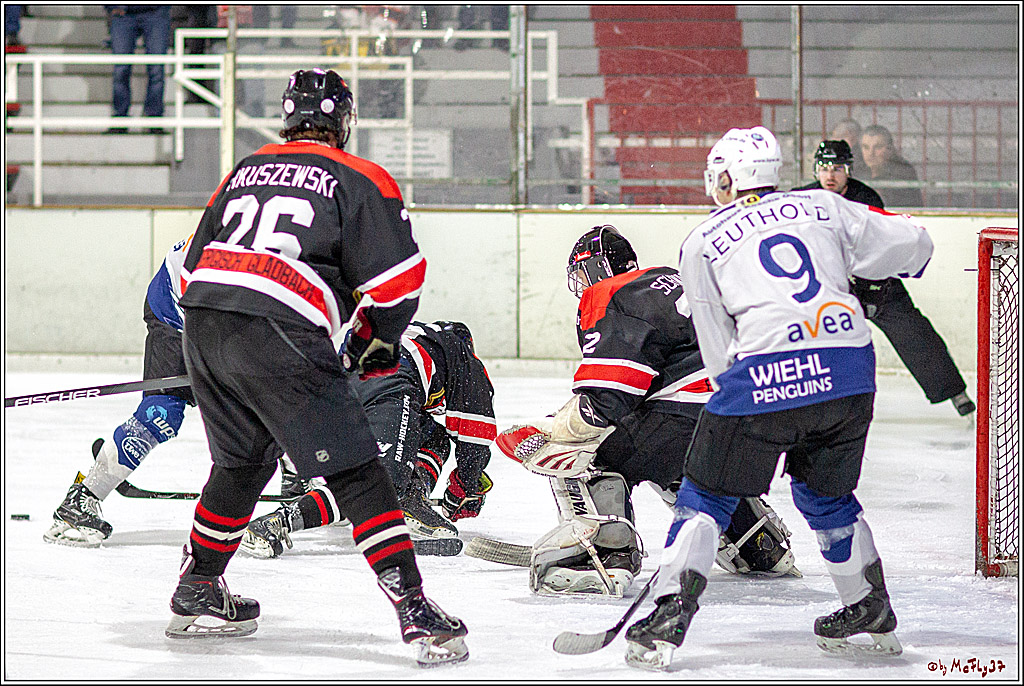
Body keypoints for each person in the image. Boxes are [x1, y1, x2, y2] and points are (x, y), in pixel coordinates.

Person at [167, 68, 467, 667]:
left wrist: (233, 345)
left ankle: (198, 586)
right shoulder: (359, 176)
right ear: (344, 122)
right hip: (278, 327)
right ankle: (414, 609)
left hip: (202, 319)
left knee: (242, 462)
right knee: (360, 469)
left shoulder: (243, 170)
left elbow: (190, 265)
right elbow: (399, 282)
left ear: (287, 118)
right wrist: (368, 342)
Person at [622, 126, 933, 670]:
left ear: (725, 179)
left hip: (766, 376)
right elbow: (916, 245)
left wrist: (745, 399)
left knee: (707, 496)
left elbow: (717, 352)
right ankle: (867, 605)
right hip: (850, 372)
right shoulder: (826, 206)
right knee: (824, 497)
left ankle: (669, 612)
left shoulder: (703, 240)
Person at [496, 225, 799, 599]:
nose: (581, 286)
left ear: (598, 268)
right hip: (754, 409)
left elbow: (609, 397)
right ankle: (758, 545)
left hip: (689, 413)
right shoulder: (674, 279)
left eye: (582, 274)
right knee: (681, 464)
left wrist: (560, 429)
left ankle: (605, 555)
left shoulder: (612, 293)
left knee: (589, 452)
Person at [42, 233, 313, 548]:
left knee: (280, 389)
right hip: (173, 308)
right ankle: (82, 500)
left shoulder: (284, 247)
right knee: (161, 414)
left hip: (215, 308)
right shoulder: (253, 254)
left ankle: (297, 473)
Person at [240, 319, 497, 559]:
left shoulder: (416, 337)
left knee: (435, 438)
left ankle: (300, 469)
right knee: (381, 484)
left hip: (341, 383)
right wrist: (462, 490)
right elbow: (475, 439)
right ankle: (276, 521)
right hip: (389, 379)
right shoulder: (461, 354)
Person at [795, 141, 975, 418]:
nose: (830, 175)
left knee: (913, 330)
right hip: (828, 284)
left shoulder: (866, 198)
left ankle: (955, 393)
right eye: (824, 168)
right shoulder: (802, 199)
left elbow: (878, 248)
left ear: (849, 170)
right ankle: (801, 399)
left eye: (838, 168)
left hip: (875, 281)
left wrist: (871, 289)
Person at [105, 5, 171, 133]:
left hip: (156, 12)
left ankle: (154, 119)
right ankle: (120, 118)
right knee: (121, 69)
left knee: (156, 69)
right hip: (122, 13)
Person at [860, 124, 923, 207]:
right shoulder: (858, 171)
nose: (870, 153)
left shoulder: (903, 172)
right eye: (865, 147)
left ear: (890, 149)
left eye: (878, 147)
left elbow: (910, 208)